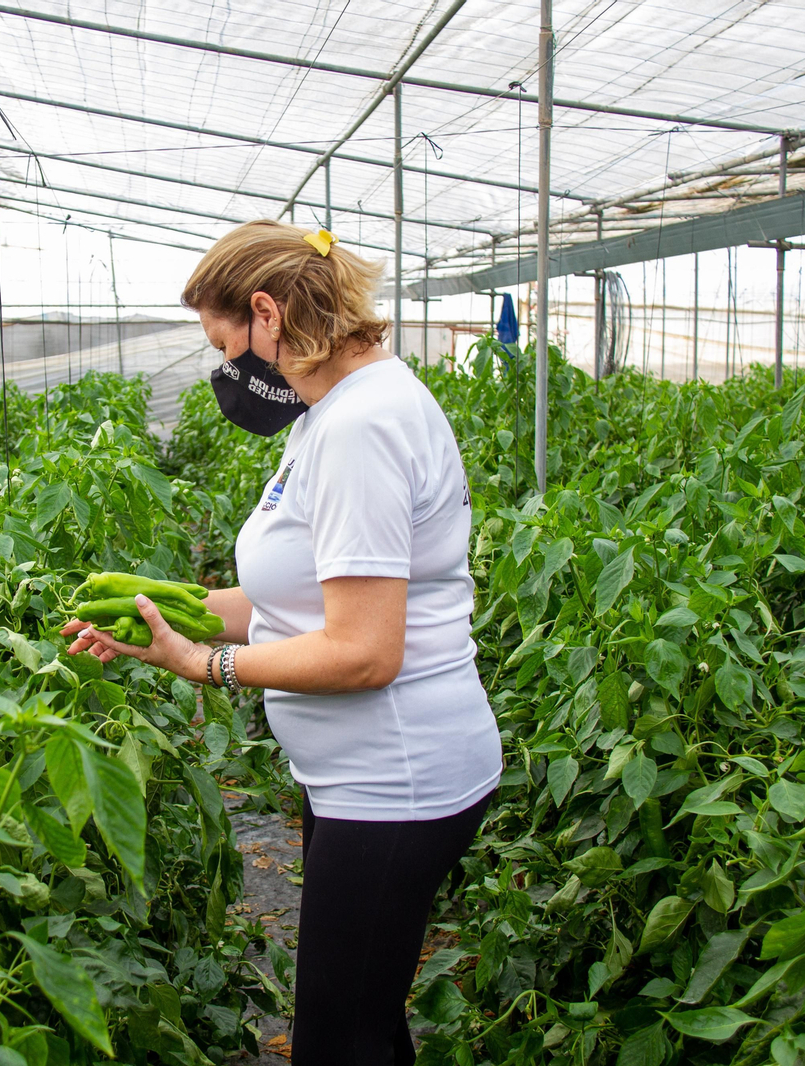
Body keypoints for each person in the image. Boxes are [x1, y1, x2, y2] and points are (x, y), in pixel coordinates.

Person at [61, 219, 502, 1065]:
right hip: (363, 777)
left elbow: (365, 649)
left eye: (225, 347)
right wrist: (161, 615)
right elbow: (290, 594)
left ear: (268, 313)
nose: (227, 374)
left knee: (342, 1039)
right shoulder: (337, 409)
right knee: (363, 1019)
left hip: (394, 781)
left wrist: (206, 665)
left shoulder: (358, 429)